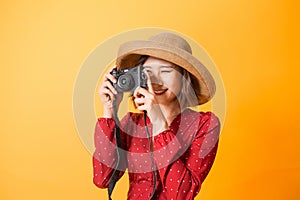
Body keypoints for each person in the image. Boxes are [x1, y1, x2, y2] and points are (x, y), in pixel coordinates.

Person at [93, 32, 221, 199]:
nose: (155, 80)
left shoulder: (205, 124)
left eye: (166, 71)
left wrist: (159, 124)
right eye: (147, 72)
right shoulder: (132, 123)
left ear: (184, 78)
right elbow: (103, 179)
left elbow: (182, 194)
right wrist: (109, 111)